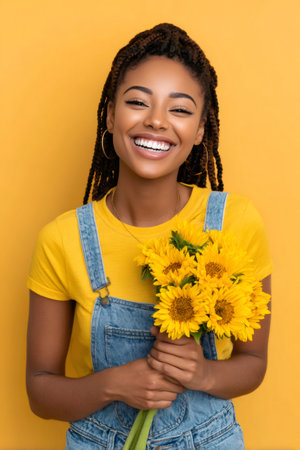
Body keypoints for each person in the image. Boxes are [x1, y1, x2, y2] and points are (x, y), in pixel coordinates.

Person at [26, 23, 272, 449]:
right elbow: (40, 390)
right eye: (138, 102)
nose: (156, 120)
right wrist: (113, 385)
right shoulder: (62, 239)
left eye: (180, 109)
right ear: (109, 114)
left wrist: (205, 374)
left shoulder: (236, 222)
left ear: (200, 131)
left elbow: (254, 362)